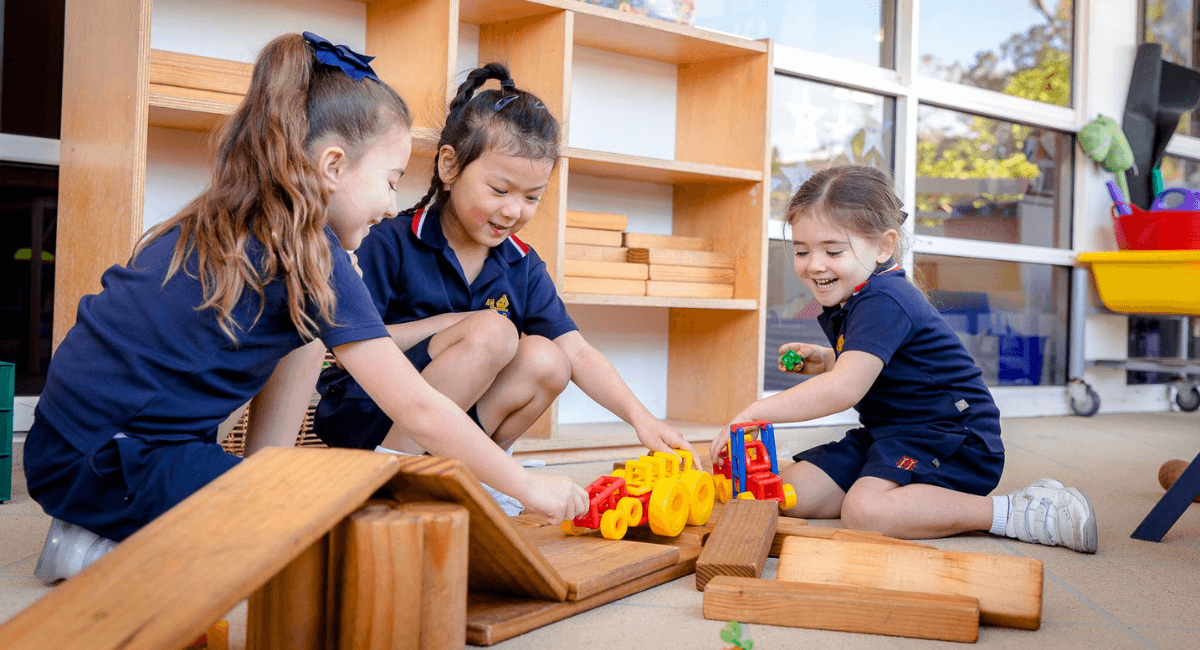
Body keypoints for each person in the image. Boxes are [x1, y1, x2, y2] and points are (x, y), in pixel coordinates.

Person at [26, 34, 587, 583]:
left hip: (74, 443)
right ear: (334, 166)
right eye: (390, 181)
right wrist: (527, 486)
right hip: (110, 461)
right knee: (322, 542)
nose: (391, 203)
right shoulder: (313, 252)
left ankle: (228, 489)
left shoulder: (242, 220)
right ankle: (101, 544)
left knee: (304, 342)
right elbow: (418, 408)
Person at [313, 63, 698, 514]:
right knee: (494, 333)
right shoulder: (390, 240)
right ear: (450, 165)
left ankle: (477, 473)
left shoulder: (521, 262)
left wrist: (641, 419)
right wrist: (455, 324)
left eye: (532, 197)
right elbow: (344, 347)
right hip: (366, 418)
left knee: (548, 358)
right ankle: (392, 479)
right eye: (499, 189)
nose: (514, 210)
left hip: (447, 427)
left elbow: (578, 352)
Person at [709, 165, 1097, 553]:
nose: (814, 264)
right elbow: (877, 366)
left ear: (882, 246)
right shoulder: (860, 295)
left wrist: (754, 413)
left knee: (865, 513)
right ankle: (897, 492)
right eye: (801, 251)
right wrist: (829, 360)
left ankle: (1015, 512)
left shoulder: (884, 299)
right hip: (890, 434)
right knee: (789, 492)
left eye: (832, 250)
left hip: (951, 437)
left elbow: (844, 389)